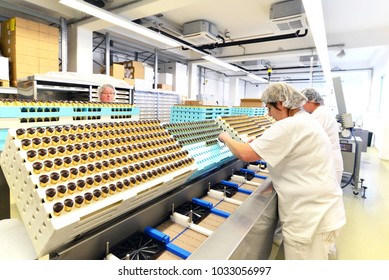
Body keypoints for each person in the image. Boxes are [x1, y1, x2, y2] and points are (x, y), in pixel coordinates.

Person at [218, 82, 346, 260]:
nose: (268, 114)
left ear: (281, 103)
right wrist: (261, 142)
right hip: (321, 209)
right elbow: (286, 144)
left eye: (269, 108)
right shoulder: (305, 120)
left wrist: (226, 138)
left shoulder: (290, 126)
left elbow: (245, 154)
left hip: (310, 218)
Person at [302, 88, 344, 184]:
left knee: (329, 196)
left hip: (329, 164)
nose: (303, 107)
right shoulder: (322, 111)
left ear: (310, 101)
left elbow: (310, 139)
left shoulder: (320, 114)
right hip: (329, 162)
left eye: (303, 103)